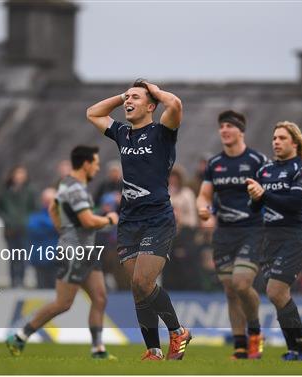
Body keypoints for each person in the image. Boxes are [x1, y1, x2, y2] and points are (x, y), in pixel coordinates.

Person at [86, 79, 191, 361]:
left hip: (157, 218)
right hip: (129, 220)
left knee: (144, 282)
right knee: (136, 287)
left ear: (151, 105)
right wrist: (122, 95)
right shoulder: (122, 133)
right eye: (127, 97)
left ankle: (178, 330)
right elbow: (93, 113)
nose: (129, 102)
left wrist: (154, 90)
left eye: (136, 98)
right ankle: (153, 350)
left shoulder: (163, 131)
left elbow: (176, 104)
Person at [6, 146, 119, 359]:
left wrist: (64, 231)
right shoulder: (75, 188)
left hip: (86, 250)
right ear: (86, 164)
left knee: (100, 297)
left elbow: (52, 209)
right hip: (75, 252)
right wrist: (109, 220)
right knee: (63, 303)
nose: (97, 168)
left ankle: (98, 349)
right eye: (95, 163)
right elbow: (87, 220)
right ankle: (20, 335)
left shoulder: (69, 184)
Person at [195, 110, 267, 359]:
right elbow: (204, 195)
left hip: (252, 231)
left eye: (229, 126)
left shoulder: (257, 160)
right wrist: (203, 210)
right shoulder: (215, 163)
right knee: (229, 290)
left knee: (241, 283)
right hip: (224, 234)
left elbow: (271, 194)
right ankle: (239, 345)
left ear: (241, 131)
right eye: (221, 126)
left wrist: (261, 194)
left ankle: (256, 333)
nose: (224, 130)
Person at [246, 121, 302, 361]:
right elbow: (255, 207)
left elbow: (295, 203)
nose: (276, 141)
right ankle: (298, 345)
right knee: (278, 295)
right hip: (269, 239)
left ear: (294, 142)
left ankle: (300, 344)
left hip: (292, 237)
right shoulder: (265, 171)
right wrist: (255, 197)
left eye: (282, 138)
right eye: (274, 138)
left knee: (275, 291)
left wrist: (263, 195)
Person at [0, 165, 37, 287]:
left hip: (24, 229)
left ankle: (21, 281)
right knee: (13, 256)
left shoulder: (30, 191)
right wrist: (7, 220)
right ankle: (14, 280)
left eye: (22, 174)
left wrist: (26, 221)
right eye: (17, 173)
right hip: (10, 229)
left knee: (24, 256)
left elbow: (34, 208)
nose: (20, 176)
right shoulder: (5, 192)